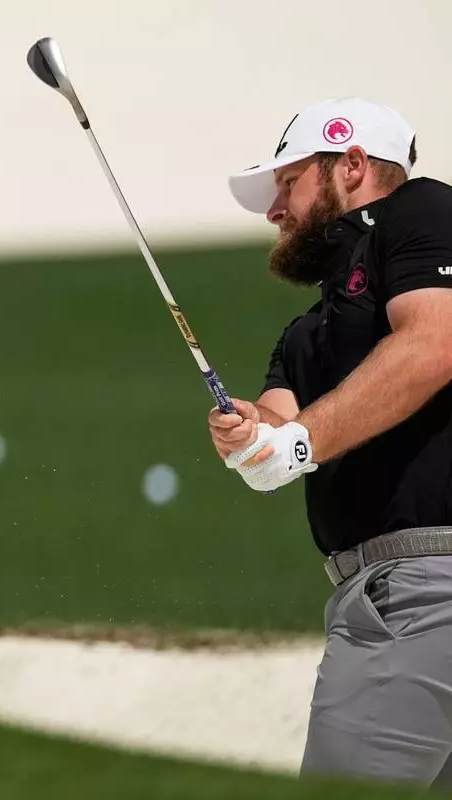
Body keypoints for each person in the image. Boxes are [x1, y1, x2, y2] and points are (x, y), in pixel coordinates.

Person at [213, 96, 452, 786]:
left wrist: (298, 442)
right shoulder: (305, 335)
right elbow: (277, 434)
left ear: (350, 164)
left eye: (288, 183)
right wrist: (249, 436)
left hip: (423, 594)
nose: (274, 210)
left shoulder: (422, 211)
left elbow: (435, 343)